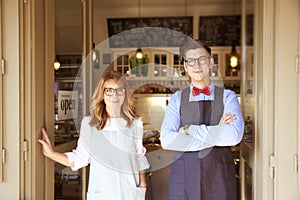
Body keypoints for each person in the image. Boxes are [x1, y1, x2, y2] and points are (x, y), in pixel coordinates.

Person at [38, 69, 150, 200]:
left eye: (119, 90)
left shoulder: (135, 124)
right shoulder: (89, 124)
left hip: (130, 192)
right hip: (101, 194)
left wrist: (142, 185)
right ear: (102, 94)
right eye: (109, 90)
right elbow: (81, 158)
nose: (114, 96)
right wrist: (51, 153)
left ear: (125, 94)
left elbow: (139, 156)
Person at [160, 39, 244, 200]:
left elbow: (233, 136)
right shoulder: (177, 99)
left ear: (211, 62)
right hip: (184, 178)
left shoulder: (228, 97)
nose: (197, 65)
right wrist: (216, 133)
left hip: (218, 175)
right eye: (191, 61)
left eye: (202, 59)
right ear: (185, 66)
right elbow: (167, 140)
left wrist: (188, 130)